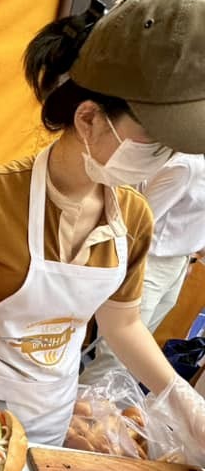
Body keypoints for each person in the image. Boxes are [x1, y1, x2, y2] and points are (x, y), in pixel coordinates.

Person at [0, 0, 205, 455]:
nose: (165, 158)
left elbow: (123, 324)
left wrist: (182, 398)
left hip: (46, 423)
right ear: (87, 118)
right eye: (155, 137)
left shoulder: (134, 218)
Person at [82, 151, 205, 385]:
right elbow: (139, 218)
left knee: (136, 359)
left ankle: (101, 413)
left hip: (178, 265)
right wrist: (127, 268)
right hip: (148, 262)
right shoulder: (187, 167)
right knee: (115, 356)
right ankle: (76, 414)